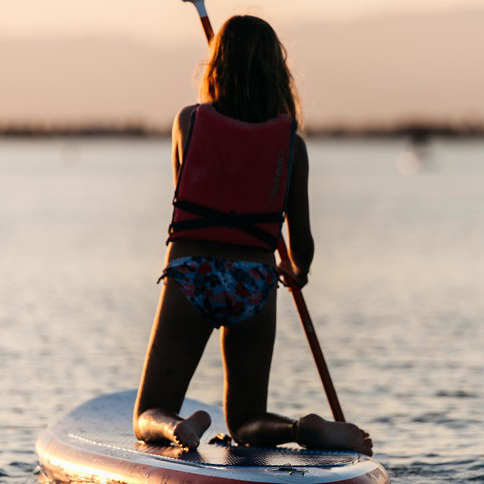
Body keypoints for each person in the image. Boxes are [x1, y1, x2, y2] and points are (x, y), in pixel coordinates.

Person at [133, 15, 372, 456]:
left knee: (148, 411)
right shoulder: (291, 145)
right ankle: (302, 428)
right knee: (245, 420)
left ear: (215, 68)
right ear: (275, 72)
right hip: (254, 284)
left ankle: (176, 426)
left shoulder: (188, 123)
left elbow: (182, 194)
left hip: (193, 276)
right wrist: (297, 272)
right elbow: (302, 243)